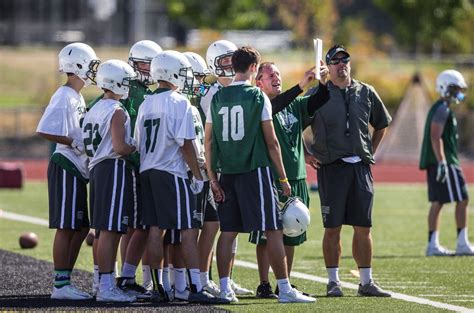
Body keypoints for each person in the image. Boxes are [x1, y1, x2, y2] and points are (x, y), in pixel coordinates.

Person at [205, 46, 316, 304]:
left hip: (227, 173)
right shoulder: (257, 96)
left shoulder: (217, 97)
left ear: (233, 66)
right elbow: (272, 142)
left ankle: (224, 288)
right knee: (274, 230)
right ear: (254, 68)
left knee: (228, 231)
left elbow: (208, 142)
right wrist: (283, 179)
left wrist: (212, 178)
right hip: (255, 171)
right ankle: (285, 289)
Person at [134, 50, 227, 304]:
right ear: (172, 72)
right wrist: (198, 175)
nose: (186, 77)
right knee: (188, 229)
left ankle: (157, 287)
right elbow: (186, 144)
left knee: (155, 229)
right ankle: (196, 287)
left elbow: (139, 143)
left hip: (148, 170)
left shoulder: (146, 103)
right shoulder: (179, 102)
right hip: (171, 172)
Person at [306, 44, 392, 297]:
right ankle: (333, 281)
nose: (341, 65)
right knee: (332, 227)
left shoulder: (366, 91)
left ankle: (366, 282)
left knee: (363, 227)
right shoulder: (317, 95)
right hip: (331, 168)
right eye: (336, 61)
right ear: (328, 66)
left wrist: (370, 152)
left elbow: (381, 123)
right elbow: (294, 124)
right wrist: (308, 154)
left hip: (360, 168)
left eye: (345, 60)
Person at [251, 61, 329, 298]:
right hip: (272, 178)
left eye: (277, 73)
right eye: (270, 74)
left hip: (296, 177)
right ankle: (264, 283)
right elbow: (276, 105)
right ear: (259, 82)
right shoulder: (260, 104)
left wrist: (323, 82)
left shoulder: (294, 103)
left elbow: (318, 101)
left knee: (292, 232)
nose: (276, 77)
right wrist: (302, 84)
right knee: (266, 236)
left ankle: (283, 283)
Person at [36, 42, 99, 300]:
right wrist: (72, 141)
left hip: (76, 167)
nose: (94, 69)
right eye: (91, 64)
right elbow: (44, 129)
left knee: (81, 227)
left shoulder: (76, 95)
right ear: (79, 66)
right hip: (65, 165)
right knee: (66, 226)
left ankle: (66, 281)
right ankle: (60, 285)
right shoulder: (64, 95)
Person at [201, 40, 254, 296]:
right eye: (224, 61)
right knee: (214, 227)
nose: (230, 66)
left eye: (232, 60)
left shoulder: (238, 90)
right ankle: (203, 278)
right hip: (214, 169)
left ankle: (226, 279)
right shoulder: (211, 94)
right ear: (214, 64)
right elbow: (209, 139)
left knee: (231, 228)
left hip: (233, 168)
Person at [83, 59, 138, 302]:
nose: (128, 85)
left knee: (103, 229)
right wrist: (135, 146)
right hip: (112, 167)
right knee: (111, 230)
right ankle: (106, 286)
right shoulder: (116, 110)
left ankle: (100, 282)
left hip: (96, 168)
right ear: (115, 81)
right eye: (125, 80)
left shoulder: (94, 107)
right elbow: (119, 147)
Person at [420, 69, 473, 256]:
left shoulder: (441, 107)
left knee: (438, 201)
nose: (458, 93)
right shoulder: (442, 108)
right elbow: (436, 136)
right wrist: (442, 161)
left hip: (439, 160)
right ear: (445, 88)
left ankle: (433, 245)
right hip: (444, 161)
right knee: (463, 199)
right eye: (455, 88)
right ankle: (461, 243)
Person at [184, 51, 221, 297]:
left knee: (212, 222)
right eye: (195, 77)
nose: (199, 83)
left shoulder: (202, 98)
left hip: (204, 166)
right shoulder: (180, 101)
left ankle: (202, 277)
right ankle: (177, 280)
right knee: (187, 228)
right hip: (187, 169)